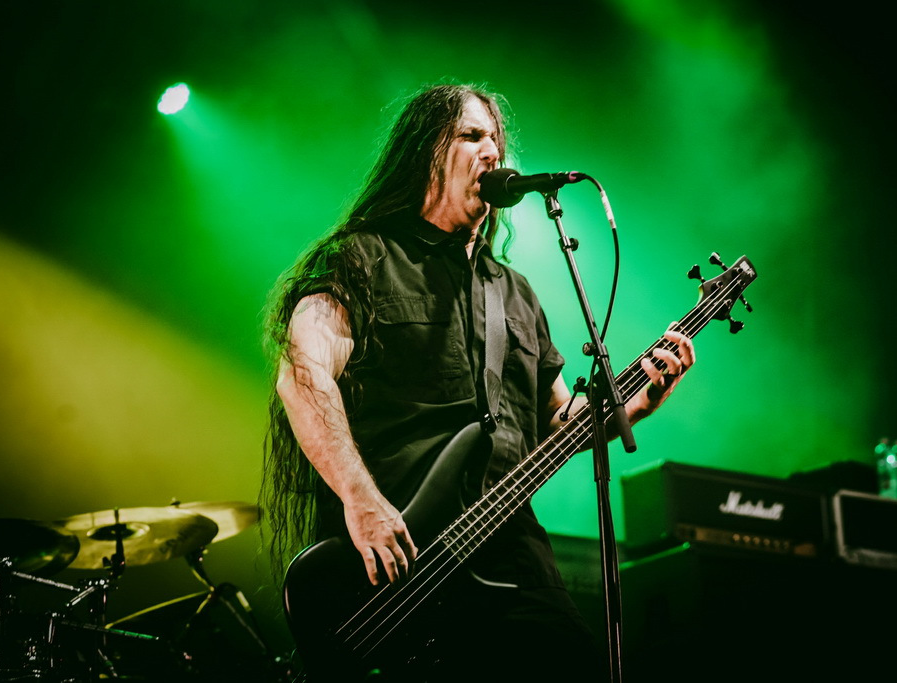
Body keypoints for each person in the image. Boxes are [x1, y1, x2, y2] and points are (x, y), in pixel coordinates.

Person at [260, 83, 695, 683]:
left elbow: (556, 421)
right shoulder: (361, 259)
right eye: (470, 136)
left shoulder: (515, 293)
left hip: (514, 557)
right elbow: (302, 376)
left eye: (496, 139)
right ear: (424, 154)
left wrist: (635, 403)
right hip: (397, 567)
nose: (492, 151)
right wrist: (362, 500)